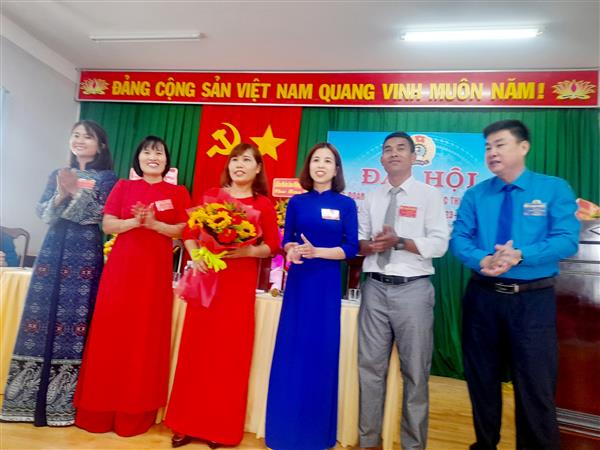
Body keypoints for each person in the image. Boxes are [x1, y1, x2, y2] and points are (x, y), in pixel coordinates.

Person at [450, 119, 579, 450]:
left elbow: (567, 240)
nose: (492, 152)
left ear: (524, 147)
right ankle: (485, 444)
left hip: (532, 302)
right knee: (482, 378)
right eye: (488, 147)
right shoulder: (476, 194)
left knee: (535, 384)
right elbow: (459, 238)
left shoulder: (553, 189)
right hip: (483, 298)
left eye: (500, 144)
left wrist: (521, 255)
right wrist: (482, 259)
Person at [1, 120, 117, 426]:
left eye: (87, 137)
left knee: (74, 323)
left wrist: (75, 193)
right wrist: (60, 195)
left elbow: (99, 215)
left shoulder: (107, 178)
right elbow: (43, 213)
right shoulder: (58, 173)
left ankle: (61, 405)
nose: (79, 140)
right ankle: (23, 401)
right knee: (39, 320)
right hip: (52, 251)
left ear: (100, 145)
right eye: (75, 135)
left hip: (84, 254)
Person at [73, 136, 190, 437]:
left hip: (154, 276)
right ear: (138, 159)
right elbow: (108, 224)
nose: (153, 157)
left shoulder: (177, 192)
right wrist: (135, 223)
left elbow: (183, 229)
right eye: (147, 152)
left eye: (159, 153)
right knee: (111, 335)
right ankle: (98, 410)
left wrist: (155, 225)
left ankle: (134, 413)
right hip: (121, 272)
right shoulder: (123, 187)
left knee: (144, 339)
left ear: (167, 160)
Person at [165, 143, 280, 448]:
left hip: (237, 286)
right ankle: (185, 424)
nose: (239, 165)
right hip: (206, 281)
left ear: (258, 168)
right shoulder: (211, 196)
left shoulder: (263, 204)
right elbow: (189, 234)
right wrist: (196, 254)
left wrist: (247, 251)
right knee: (195, 352)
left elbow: (273, 246)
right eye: (234, 159)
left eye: (247, 160)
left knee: (229, 357)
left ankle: (219, 428)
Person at [357, 132, 449, 450]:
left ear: (413, 157)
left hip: (413, 291)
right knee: (370, 370)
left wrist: (399, 242)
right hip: (374, 288)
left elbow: (439, 243)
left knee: (415, 373)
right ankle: (368, 441)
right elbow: (359, 240)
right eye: (387, 150)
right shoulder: (371, 196)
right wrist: (369, 245)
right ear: (381, 159)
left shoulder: (429, 195)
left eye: (401, 149)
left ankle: (413, 445)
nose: (393, 153)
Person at [265, 143, 359, 450]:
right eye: (316, 160)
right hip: (300, 283)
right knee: (292, 350)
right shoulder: (297, 202)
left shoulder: (346, 204)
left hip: (326, 284)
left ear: (336, 169)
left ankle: (316, 435)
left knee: (321, 352)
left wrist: (319, 252)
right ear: (308, 166)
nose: (321, 165)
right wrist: (292, 250)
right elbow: (287, 240)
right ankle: (283, 432)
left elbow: (351, 248)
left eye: (328, 160)